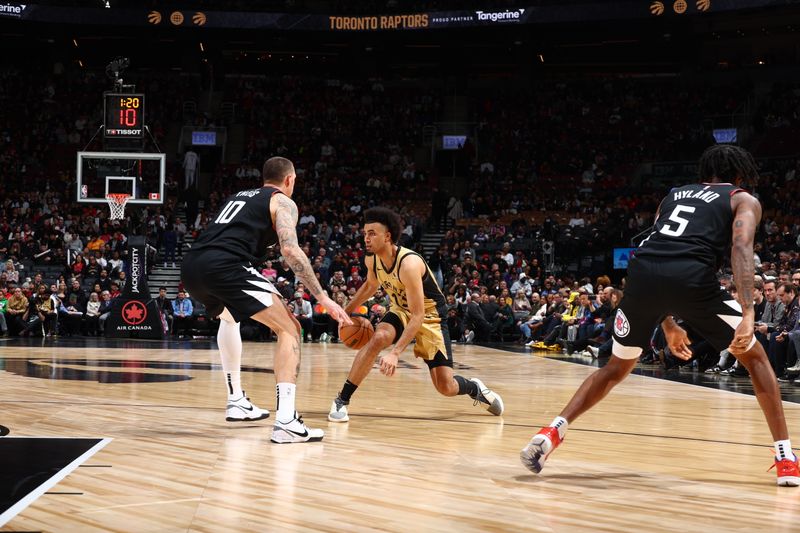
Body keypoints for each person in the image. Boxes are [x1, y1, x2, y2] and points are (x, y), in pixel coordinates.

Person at [521, 145, 799, 487]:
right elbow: (740, 247)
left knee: (615, 368)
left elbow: (655, 246)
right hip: (692, 278)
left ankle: (552, 432)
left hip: (639, 276)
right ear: (740, 175)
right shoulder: (743, 199)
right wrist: (748, 310)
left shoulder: (671, 195)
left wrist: (667, 322)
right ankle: (785, 457)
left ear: (704, 173)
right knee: (755, 358)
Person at [182, 156, 350, 444]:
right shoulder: (283, 201)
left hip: (193, 266)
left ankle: (236, 400)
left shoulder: (239, 197)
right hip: (226, 266)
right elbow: (292, 251)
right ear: (290, 180)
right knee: (290, 328)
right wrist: (323, 297)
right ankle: (286, 421)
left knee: (229, 317)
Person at [328, 207, 503, 423]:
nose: (366, 238)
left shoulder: (409, 264)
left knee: (446, 387)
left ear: (387, 236)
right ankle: (342, 400)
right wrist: (344, 312)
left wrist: (395, 353)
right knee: (379, 337)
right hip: (401, 310)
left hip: (431, 317)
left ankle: (473, 387)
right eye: (365, 233)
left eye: (372, 233)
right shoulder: (371, 259)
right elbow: (370, 285)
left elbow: (418, 315)